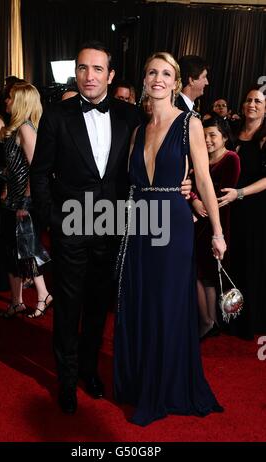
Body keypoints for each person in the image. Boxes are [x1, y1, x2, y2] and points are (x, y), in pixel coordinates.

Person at [30, 41, 192, 415]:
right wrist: (50, 220)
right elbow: (40, 175)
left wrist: (183, 181)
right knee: (69, 307)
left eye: (98, 69)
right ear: (76, 71)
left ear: (111, 75)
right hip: (70, 224)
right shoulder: (56, 115)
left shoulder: (131, 115)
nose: (90, 76)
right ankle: (66, 381)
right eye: (83, 68)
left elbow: (158, 154)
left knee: (99, 306)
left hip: (115, 227)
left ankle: (89, 370)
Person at [114, 52, 226, 426]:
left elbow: (205, 180)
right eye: (152, 72)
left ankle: (165, 385)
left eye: (166, 73)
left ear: (175, 82)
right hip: (140, 224)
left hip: (172, 225)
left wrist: (217, 231)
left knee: (166, 303)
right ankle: (142, 377)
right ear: (144, 79)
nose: (158, 79)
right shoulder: (138, 128)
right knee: (142, 301)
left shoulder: (189, 124)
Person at [0, 82, 52, 319]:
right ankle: (17, 301)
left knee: (26, 250)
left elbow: (36, 169)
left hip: (24, 203)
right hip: (14, 200)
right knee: (15, 251)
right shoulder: (16, 128)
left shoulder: (26, 129)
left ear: (21, 101)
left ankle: (42, 295)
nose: (6, 101)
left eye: (10, 97)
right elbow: (15, 167)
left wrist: (24, 203)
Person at [218, 87, 266, 340]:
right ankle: (229, 317)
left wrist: (240, 193)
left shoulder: (264, 137)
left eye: (258, 101)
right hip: (230, 207)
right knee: (231, 262)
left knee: (250, 263)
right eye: (248, 100)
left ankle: (249, 321)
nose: (252, 104)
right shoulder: (234, 133)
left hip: (255, 210)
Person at [191, 117, 240, 338]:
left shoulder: (231, 159)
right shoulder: (199, 158)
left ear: (224, 137)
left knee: (208, 274)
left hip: (216, 223)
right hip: (196, 221)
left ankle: (210, 321)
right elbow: (189, 186)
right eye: (204, 135)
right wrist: (194, 200)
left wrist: (200, 199)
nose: (208, 140)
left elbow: (221, 196)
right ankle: (208, 319)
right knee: (198, 273)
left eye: (213, 135)